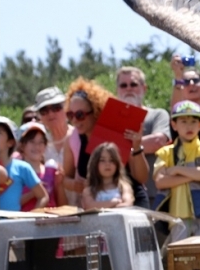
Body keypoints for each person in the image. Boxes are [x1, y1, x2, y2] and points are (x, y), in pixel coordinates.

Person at [62, 77, 150, 208]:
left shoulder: (115, 133)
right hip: (98, 208)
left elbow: (141, 178)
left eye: (80, 115)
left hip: (130, 204)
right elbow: (65, 178)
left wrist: (136, 147)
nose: (74, 120)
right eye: (70, 115)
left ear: (96, 111)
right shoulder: (72, 139)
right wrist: (76, 185)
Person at [154, 100, 200, 238]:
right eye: (183, 121)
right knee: (180, 257)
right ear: (174, 125)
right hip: (177, 217)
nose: (189, 126)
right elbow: (160, 182)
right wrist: (194, 175)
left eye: (193, 121)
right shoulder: (165, 153)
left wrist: (177, 170)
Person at [115, 66, 172, 209]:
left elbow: (158, 142)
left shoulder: (157, 114)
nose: (128, 88)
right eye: (123, 85)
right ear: (117, 90)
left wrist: (118, 149)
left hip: (154, 195)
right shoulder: (111, 117)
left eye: (133, 84)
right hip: (117, 198)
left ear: (144, 88)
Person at [0, 117, 49, 211]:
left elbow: (43, 196)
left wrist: (30, 220)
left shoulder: (22, 168)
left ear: (10, 142)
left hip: (13, 224)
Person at [18, 122, 67, 211]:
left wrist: (59, 184)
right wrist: (36, 192)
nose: (37, 146)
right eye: (32, 141)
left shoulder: (51, 171)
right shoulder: (16, 172)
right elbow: (10, 203)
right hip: (24, 222)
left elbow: (62, 206)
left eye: (41, 142)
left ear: (45, 145)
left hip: (50, 223)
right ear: (21, 145)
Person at [82, 142, 135, 209]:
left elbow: (128, 204)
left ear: (117, 164)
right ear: (95, 164)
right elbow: (90, 206)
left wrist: (105, 207)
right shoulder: (89, 190)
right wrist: (113, 202)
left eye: (111, 160)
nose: (107, 164)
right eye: (102, 160)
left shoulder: (123, 186)